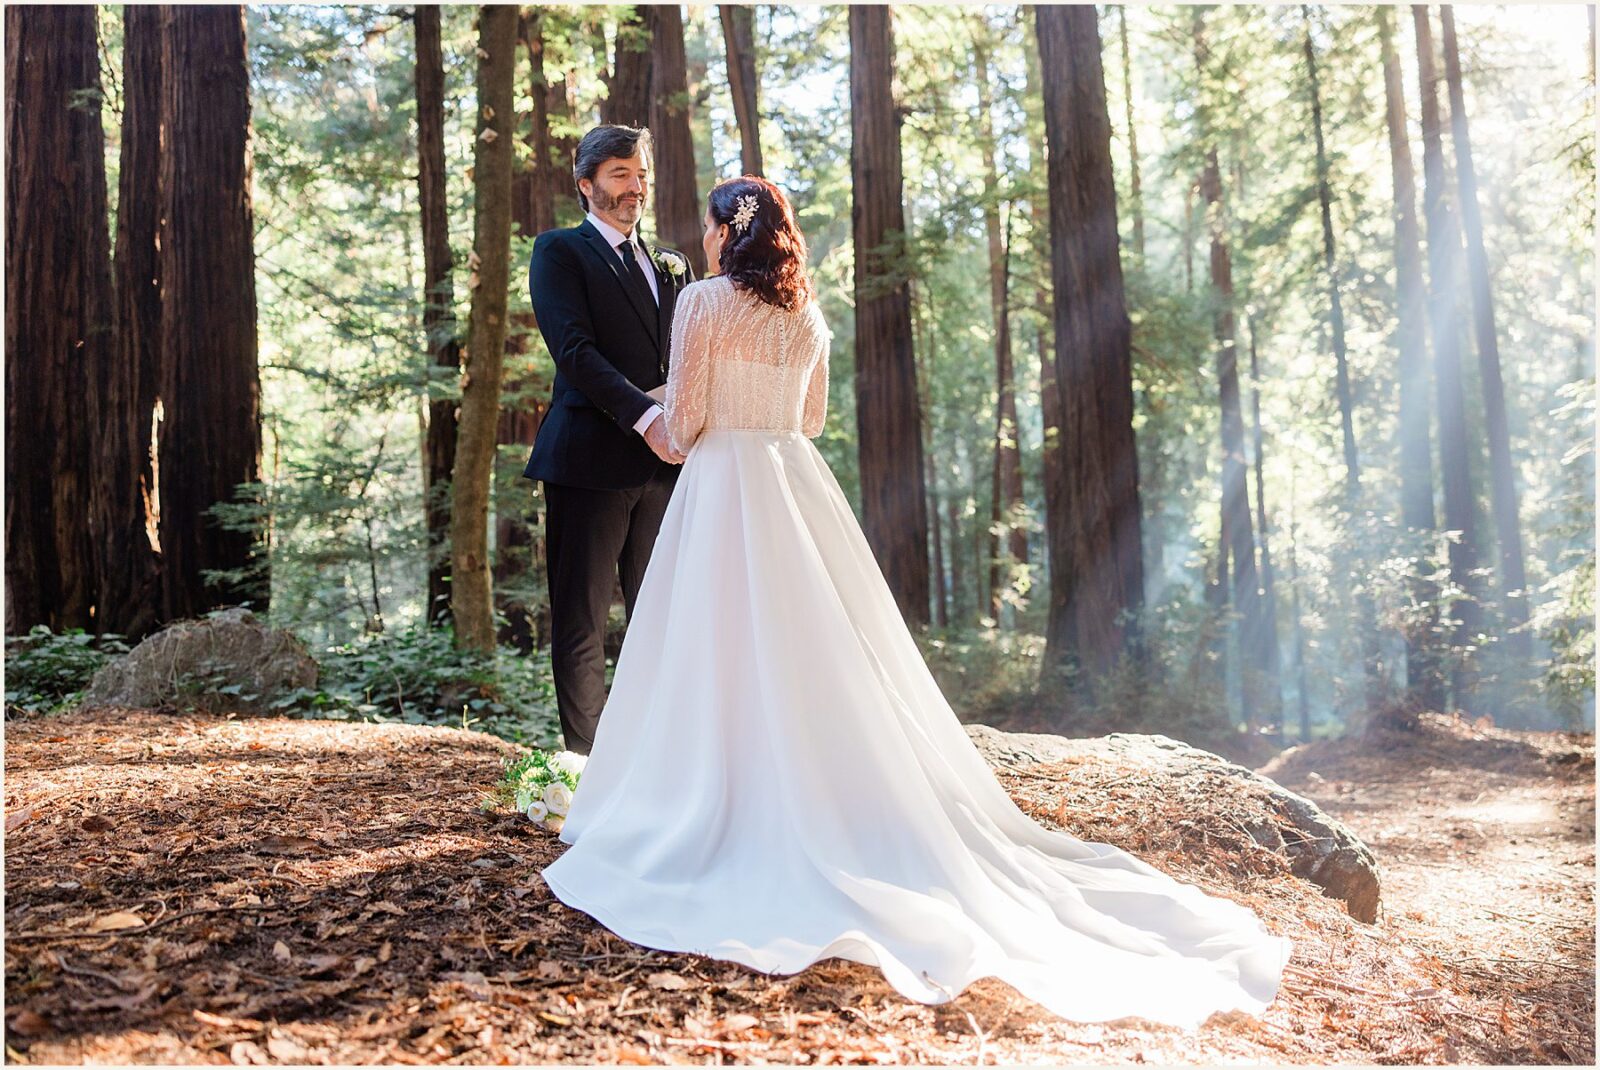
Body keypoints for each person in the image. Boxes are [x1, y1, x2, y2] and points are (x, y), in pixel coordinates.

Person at [538, 175, 1293, 1030]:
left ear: (725, 234)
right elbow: (814, 419)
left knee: (711, 645)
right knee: (815, 651)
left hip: (724, 489)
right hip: (796, 489)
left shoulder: (703, 303)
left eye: (710, 226)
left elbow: (680, 426)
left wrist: (669, 426)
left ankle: (703, 788)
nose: (704, 240)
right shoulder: (809, 317)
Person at [522, 124, 696, 756]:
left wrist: (684, 416)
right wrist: (647, 419)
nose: (635, 188)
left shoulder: (670, 264)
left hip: (666, 470)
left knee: (659, 621)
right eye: (620, 174)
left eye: (641, 175)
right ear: (586, 183)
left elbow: (687, 358)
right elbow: (575, 352)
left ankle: (652, 759)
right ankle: (588, 767)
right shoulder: (559, 252)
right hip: (589, 463)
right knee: (582, 624)